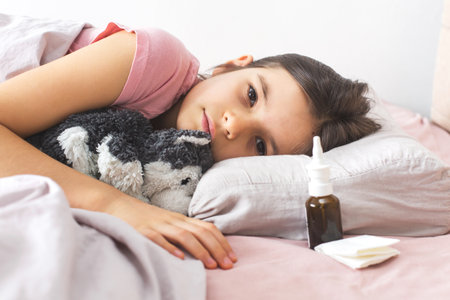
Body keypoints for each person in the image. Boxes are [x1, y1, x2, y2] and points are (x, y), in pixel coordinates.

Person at [0, 20, 380, 270]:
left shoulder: (189, 173)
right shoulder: (159, 61)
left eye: (260, 145)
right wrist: (114, 204)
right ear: (231, 65)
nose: (234, 125)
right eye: (250, 94)